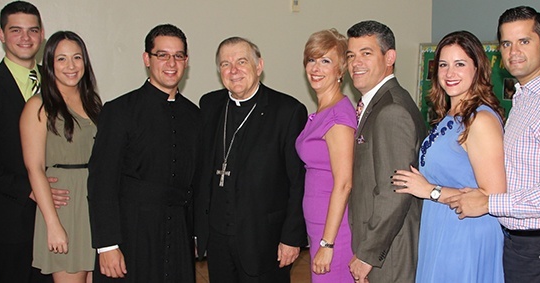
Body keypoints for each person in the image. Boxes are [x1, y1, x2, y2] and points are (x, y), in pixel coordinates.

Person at [448, 6, 540, 282]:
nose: (514, 51)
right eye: (506, 43)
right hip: (523, 244)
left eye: (524, 41)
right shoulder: (524, 99)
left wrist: (491, 203)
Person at [0, 2, 67, 282]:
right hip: (11, 220)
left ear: (42, 34)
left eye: (32, 30)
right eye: (16, 30)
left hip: (64, 215)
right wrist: (30, 189)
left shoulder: (61, 83)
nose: (25, 37)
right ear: (1, 34)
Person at [87, 24, 200, 283]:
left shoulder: (194, 116)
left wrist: (194, 235)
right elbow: (101, 180)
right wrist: (107, 245)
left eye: (178, 55)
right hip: (131, 232)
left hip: (177, 232)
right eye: (162, 55)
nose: (171, 63)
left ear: (186, 61)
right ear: (146, 59)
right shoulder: (119, 111)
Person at [392, 30, 506, 283]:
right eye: (443, 65)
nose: (450, 73)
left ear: (477, 69)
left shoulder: (480, 120)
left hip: (465, 234)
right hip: (440, 227)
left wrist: (430, 190)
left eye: (460, 64)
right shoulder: (449, 115)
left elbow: (494, 197)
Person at [195, 37, 307, 283]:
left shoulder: (287, 111)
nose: (233, 70)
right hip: (218, 239)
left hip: (264, 240)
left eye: (241, 62)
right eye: (225, 64)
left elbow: (298, 181)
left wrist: (291, 238)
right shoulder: (210, 105)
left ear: (259, 66)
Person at [345, 20, 426, 283]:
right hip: (380, 245)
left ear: (389, 57)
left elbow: (395, 191)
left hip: (389, 252)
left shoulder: (392, 110)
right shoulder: (375, 105)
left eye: (366, 53)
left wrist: (368, 254)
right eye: (351, 55)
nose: (356, 63)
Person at [21, 31, 101, 282]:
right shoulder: (39, 105)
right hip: (65, 207)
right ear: (50, 63)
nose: (71, 66)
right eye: (61, 59)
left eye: (77, 58)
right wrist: (53, 225)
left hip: (95, 203)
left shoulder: (93, 103)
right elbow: (34, 168)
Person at [295, 29, 356, 283]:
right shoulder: (321, 111)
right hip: (318, 225)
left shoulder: (339, 116)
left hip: (334, 232)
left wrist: (327, 244)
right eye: (312, 59)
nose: (316, 68)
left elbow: (344, 183)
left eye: (325, 61)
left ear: (341, 70)